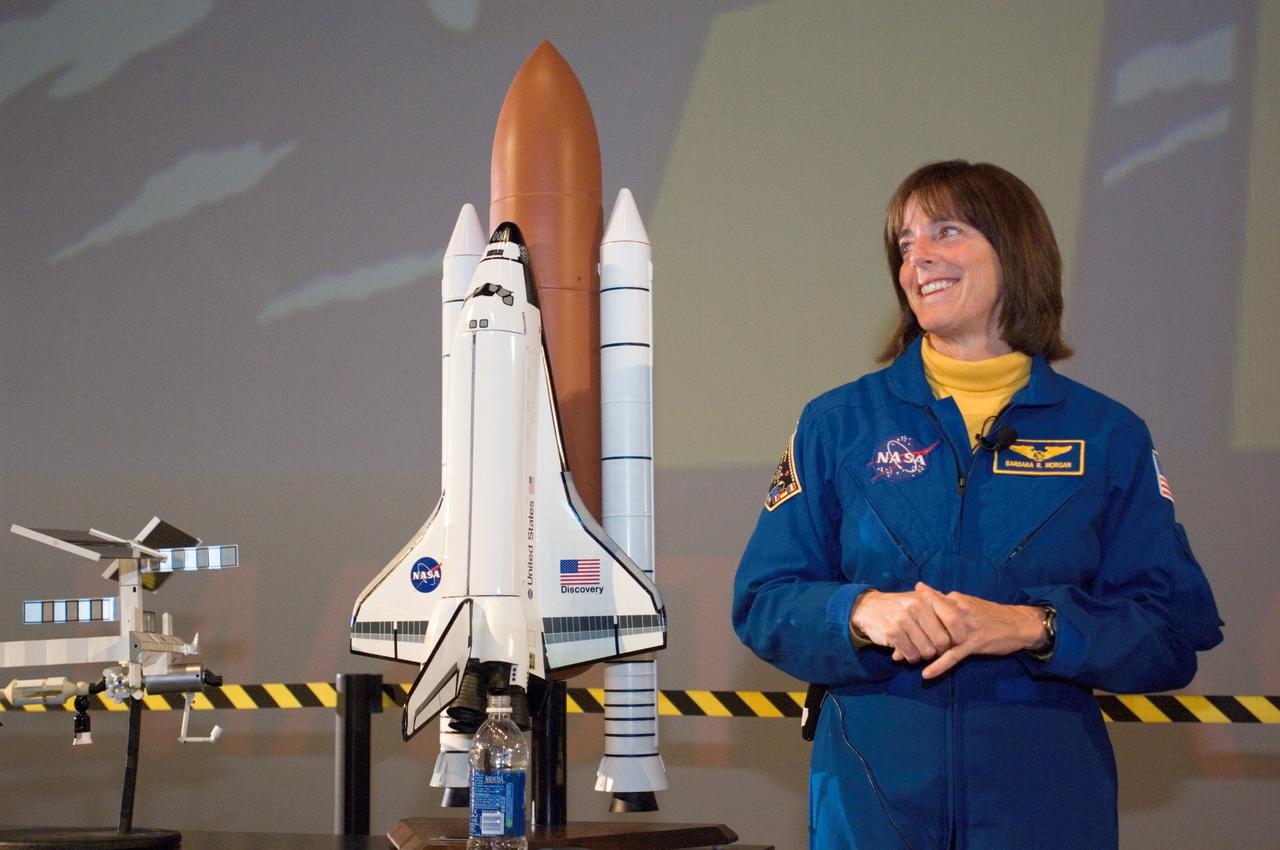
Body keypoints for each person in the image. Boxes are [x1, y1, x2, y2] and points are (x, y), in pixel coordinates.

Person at [732, 160, 1222, 850]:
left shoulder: (1108, 435)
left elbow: (1171, 634)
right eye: (905, 244)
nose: (917, 260)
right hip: (870, 813)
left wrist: (1036, 626)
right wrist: (863, 612)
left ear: (1014, 249)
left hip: (1047, 812)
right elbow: (764, 602)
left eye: (946, 232)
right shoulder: (837, 424)